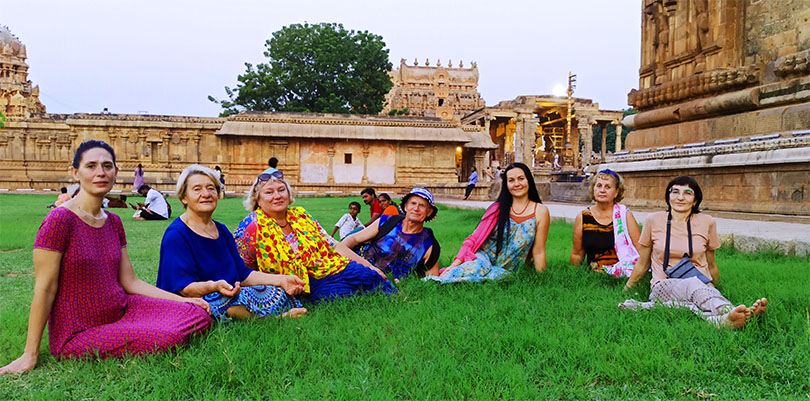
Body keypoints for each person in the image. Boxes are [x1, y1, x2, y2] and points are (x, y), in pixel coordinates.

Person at [0, 141, 211, 376]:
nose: (100, 172)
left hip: (122, 309)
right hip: (79, 331)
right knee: (167, 336)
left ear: (115, 173)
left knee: (196, 313)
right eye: (91, 166)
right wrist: (29, 354)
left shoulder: (113, 221)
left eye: (107, 166)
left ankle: (135, 326)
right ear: (75, 172)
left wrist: (182, 301)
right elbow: (45, 288)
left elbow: (130, 281)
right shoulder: (60, 221)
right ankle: (136, 331)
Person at [157, 165, 307, 321]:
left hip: (230, 291)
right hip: (194, 300)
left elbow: (243, 274)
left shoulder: (221, 230)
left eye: (211, 188)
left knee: (275, 292)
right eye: (197, 189)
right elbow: (184, 289)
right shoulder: (177, 235)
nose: (206, 194)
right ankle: (269, 319)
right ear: (184, 197)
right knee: (220, 301)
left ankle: (250, 313)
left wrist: (282, 280)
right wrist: (214, 286)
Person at [622, 176, 768, 329]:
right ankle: (730, 310)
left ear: (695, 200)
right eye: (675, 192)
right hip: (664, 285)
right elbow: (643, 263)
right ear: (668, 196)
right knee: (692, 284)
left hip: (700, 284)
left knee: (691, 302)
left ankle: (723, 321)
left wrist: (713, 287)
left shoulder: (707, 222)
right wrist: (627, 289)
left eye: (687, 193)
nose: (680, 197)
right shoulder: (653, 220)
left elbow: (711, 263)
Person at [233, 170, 395, 303]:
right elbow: (243, 271)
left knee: (372, 277)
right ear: (258, 200)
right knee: (337, 296)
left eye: (281, 190)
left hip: (328, 266)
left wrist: (370, 267)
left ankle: (394, 298)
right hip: (299, 284)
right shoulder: (251, 226)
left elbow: (333, 245)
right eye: (269, 192)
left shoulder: (301, 216)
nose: (277, 196)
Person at [426, 162, 550, 283]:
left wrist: (542, 279)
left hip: (506, 269)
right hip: (483, 259)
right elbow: (474, 238)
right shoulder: (497, 209)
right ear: (506, 184)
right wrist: (454, 264)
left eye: (521, 179)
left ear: (529, 180)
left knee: (493, 278)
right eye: (511, 180)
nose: (517, 184)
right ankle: (437, 281)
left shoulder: (540, 212)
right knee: (474, 269)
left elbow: (538, 251)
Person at [342, 188, 441, 281]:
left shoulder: (429, 245)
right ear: (406, 206)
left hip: (381, 282)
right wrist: (341, 249)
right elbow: (353, 239)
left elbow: (432, 281)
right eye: (413, 203)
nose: (416, 208)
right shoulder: (388, 221)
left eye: (422, 206)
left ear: (429, 212)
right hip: (356, 263)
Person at [570, 169, 641, 278]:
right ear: (593, 189)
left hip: (624, 275)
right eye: (599, 186)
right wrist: (573, 276)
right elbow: (577, 253)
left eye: (608, 187)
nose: (602, 190)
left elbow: (639, 249)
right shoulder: (583, 217)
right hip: (595, 276)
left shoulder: (625, 216)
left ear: (616, 192)